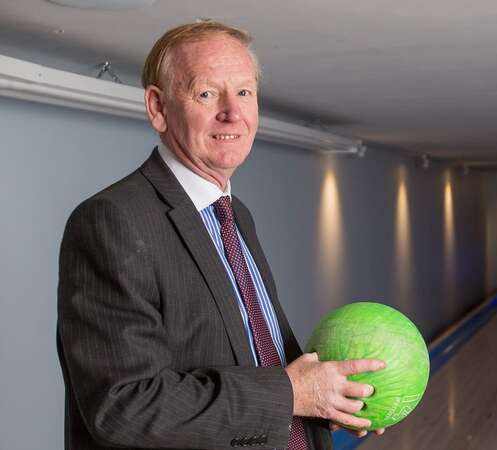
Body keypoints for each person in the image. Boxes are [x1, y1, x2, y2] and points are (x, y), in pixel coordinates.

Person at [57, 21, 385, 450]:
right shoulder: (111, 220)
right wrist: (294, 394)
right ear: (158, 108)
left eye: (245, 92)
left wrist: (328, 401)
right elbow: (122, 406)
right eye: (207, 93)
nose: (233, 112)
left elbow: (256, 358)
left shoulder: (234, 215)